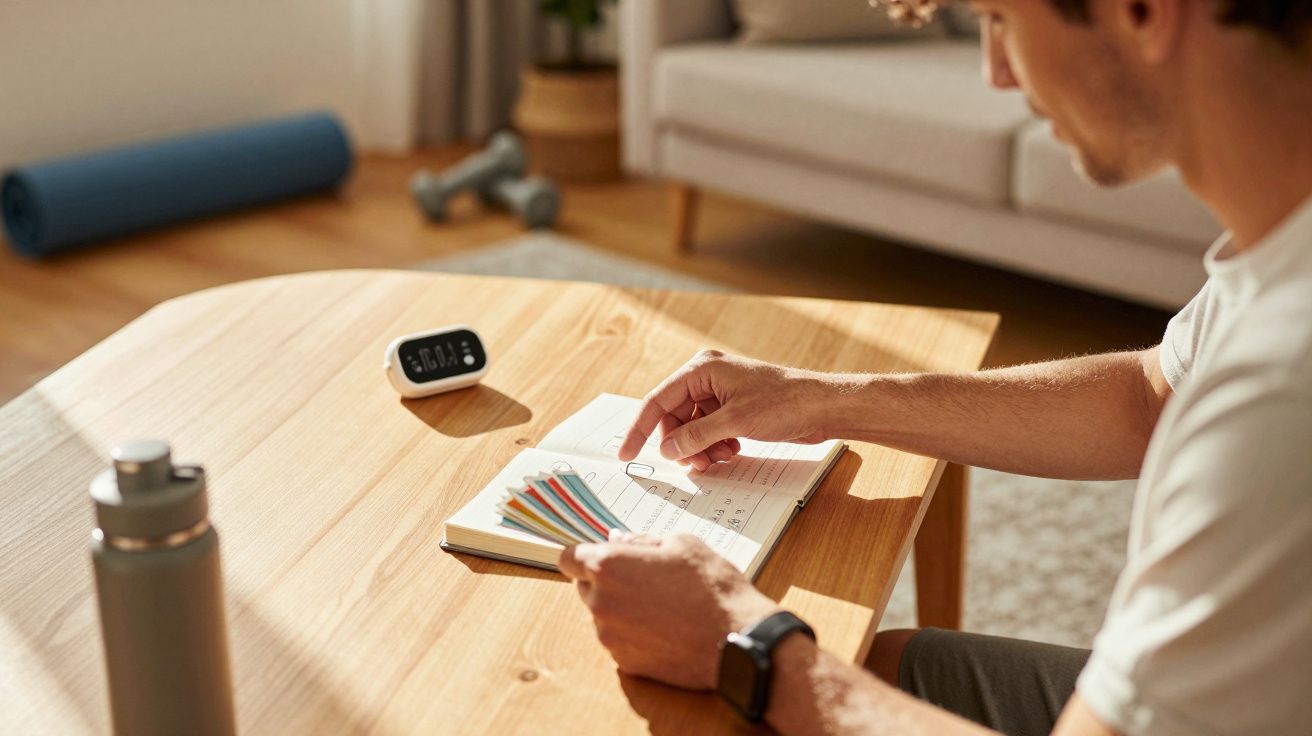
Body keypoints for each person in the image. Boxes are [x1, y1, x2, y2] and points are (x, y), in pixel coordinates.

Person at [557, 0, 1312, 734]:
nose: (995, 73)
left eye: (1001, 20)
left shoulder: (1280, 383)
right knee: (883, 665)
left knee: (752, 704)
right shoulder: (1283, 241)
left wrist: (741, 642)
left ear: (1143, 10)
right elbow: (1151, 402)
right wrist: (812, 399)